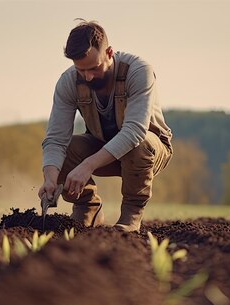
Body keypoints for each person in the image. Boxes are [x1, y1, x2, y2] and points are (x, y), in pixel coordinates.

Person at [39, 20, 173, 232]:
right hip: (102, 146)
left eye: (94, 68)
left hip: (148, 151)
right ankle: (87, 208)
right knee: (66, 150)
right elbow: (55, 139)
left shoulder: (138, 71)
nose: (88, 76)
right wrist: (50, 178)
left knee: (141, 143)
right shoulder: (68, 82)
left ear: (109, 53)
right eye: (81, 70)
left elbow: (134, 132)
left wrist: (87, 165)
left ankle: (131, 214)